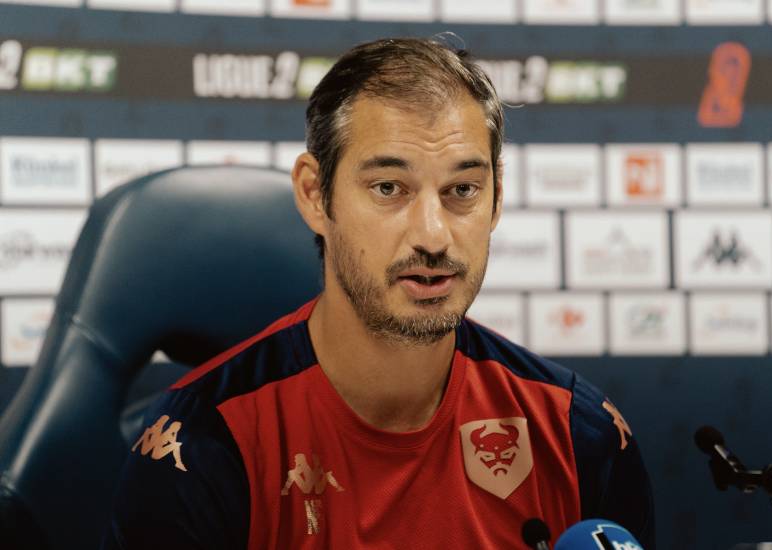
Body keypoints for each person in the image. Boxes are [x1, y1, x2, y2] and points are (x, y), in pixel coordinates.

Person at [102, 37, 655, 549]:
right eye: (389, 188)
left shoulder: (578, 434)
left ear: (497, 198)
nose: (433, 236)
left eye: (462, 190)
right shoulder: (199, 449)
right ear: (316, 195)